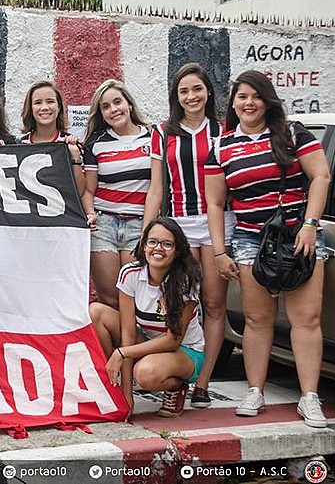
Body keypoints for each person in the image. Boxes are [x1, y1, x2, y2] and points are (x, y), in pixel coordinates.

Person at [205, 70, 331, 427]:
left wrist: (310, 224)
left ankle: (309, 397)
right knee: (258, 321)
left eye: (256, 96)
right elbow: (216, 203)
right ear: (233, 103)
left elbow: (320, 176)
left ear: (268, 100)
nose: (249, 103)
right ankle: (255, 390)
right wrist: (219, 251)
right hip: (249, 241)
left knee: (306, 320)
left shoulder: (292, 133)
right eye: (242, 96)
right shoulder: (222, 146)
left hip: (298, 237)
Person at [142, 63, 234, 409]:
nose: (191, 96)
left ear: (208, 92)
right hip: (178, 225)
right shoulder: (162, 133)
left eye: (197, 89)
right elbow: (155, 189)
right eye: (184, 91)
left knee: (212, 303)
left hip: (216, 224)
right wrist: (147, 233)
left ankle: (204, 383)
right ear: (175, 97)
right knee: (180, 306)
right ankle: (178, 376)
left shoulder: (223, 131)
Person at [91, 217, 204, 418]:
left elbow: (172, 340)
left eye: (167, 244)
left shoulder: (186, 279)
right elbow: (127, 334)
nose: (158, 248)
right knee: (96, 313)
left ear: (177, 250)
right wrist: (127, 397)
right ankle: (116, 389)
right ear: (143, 246)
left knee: (145, 374)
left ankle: (176, 387)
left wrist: (122, 353)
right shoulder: (130, 273)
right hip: (147, 340)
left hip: (184, 350)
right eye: (152, 242)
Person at [82, 79, 152, 309]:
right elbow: (89, 190)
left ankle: (134, 345)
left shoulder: (153, 137)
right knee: (110, 299)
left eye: (117, 102)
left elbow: (158, 188)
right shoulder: (96, 143)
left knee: (136, 297)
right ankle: (116, 345)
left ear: (129, 104)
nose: (113, 110)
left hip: (139, 224)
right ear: (101, 114)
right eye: (106, 106)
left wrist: (148, 230)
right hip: (104, 225)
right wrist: (90, 214)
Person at [19, 79, 84, 195]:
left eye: (50, 101)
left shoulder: (73, 145)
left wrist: (75, 157)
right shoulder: (18, 145)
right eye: (38, 102)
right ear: (31, 108)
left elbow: (80, 192)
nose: (44, 107)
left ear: (59, 107)